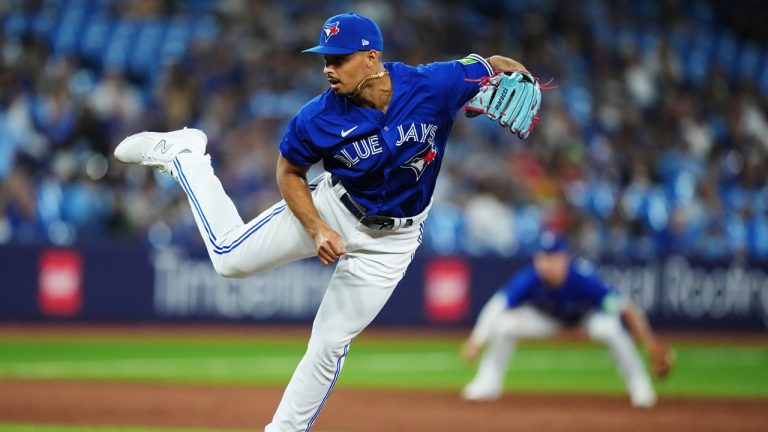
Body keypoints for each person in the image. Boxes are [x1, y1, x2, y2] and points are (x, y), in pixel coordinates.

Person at [113, 11, 543, 432]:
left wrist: (521, 75)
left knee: (329, 344)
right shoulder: (317, 117)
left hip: (393, 241)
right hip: (335, 206)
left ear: (371, 58)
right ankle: (186, 155)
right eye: (325, 59)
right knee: (229, 260)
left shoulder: (434, 83)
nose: (328, 69)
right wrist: (318, 226)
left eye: (338, 59)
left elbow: (493, 65)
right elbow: (288, 172)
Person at [461, 231, 674, 407]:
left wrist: (648, 342)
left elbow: (626, 308)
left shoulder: (581, 278)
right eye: (543, 257)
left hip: (586, 318)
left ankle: (639, 383)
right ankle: (488, 382)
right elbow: (498, 304)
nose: (546, 263)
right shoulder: (531, 277)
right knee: (504, 325)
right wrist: (477, 339)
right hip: (547, 319)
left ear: (564, 258)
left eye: (552, 257)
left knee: (609, 329)